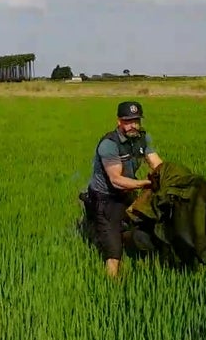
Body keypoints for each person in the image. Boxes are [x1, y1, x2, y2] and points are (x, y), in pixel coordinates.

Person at [83, 100, 163, 278]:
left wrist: (168, 177)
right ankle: (111, 289)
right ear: (119, 121)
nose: (133, 125)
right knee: (114, 250)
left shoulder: (141, 138)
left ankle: (146, 261)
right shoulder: (109, 144)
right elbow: (116, 180)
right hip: (105, 198)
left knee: (148, 224)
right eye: (128, 121)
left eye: (136, 120)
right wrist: (146, 183)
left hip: (127, 193)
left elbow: (156, 163)